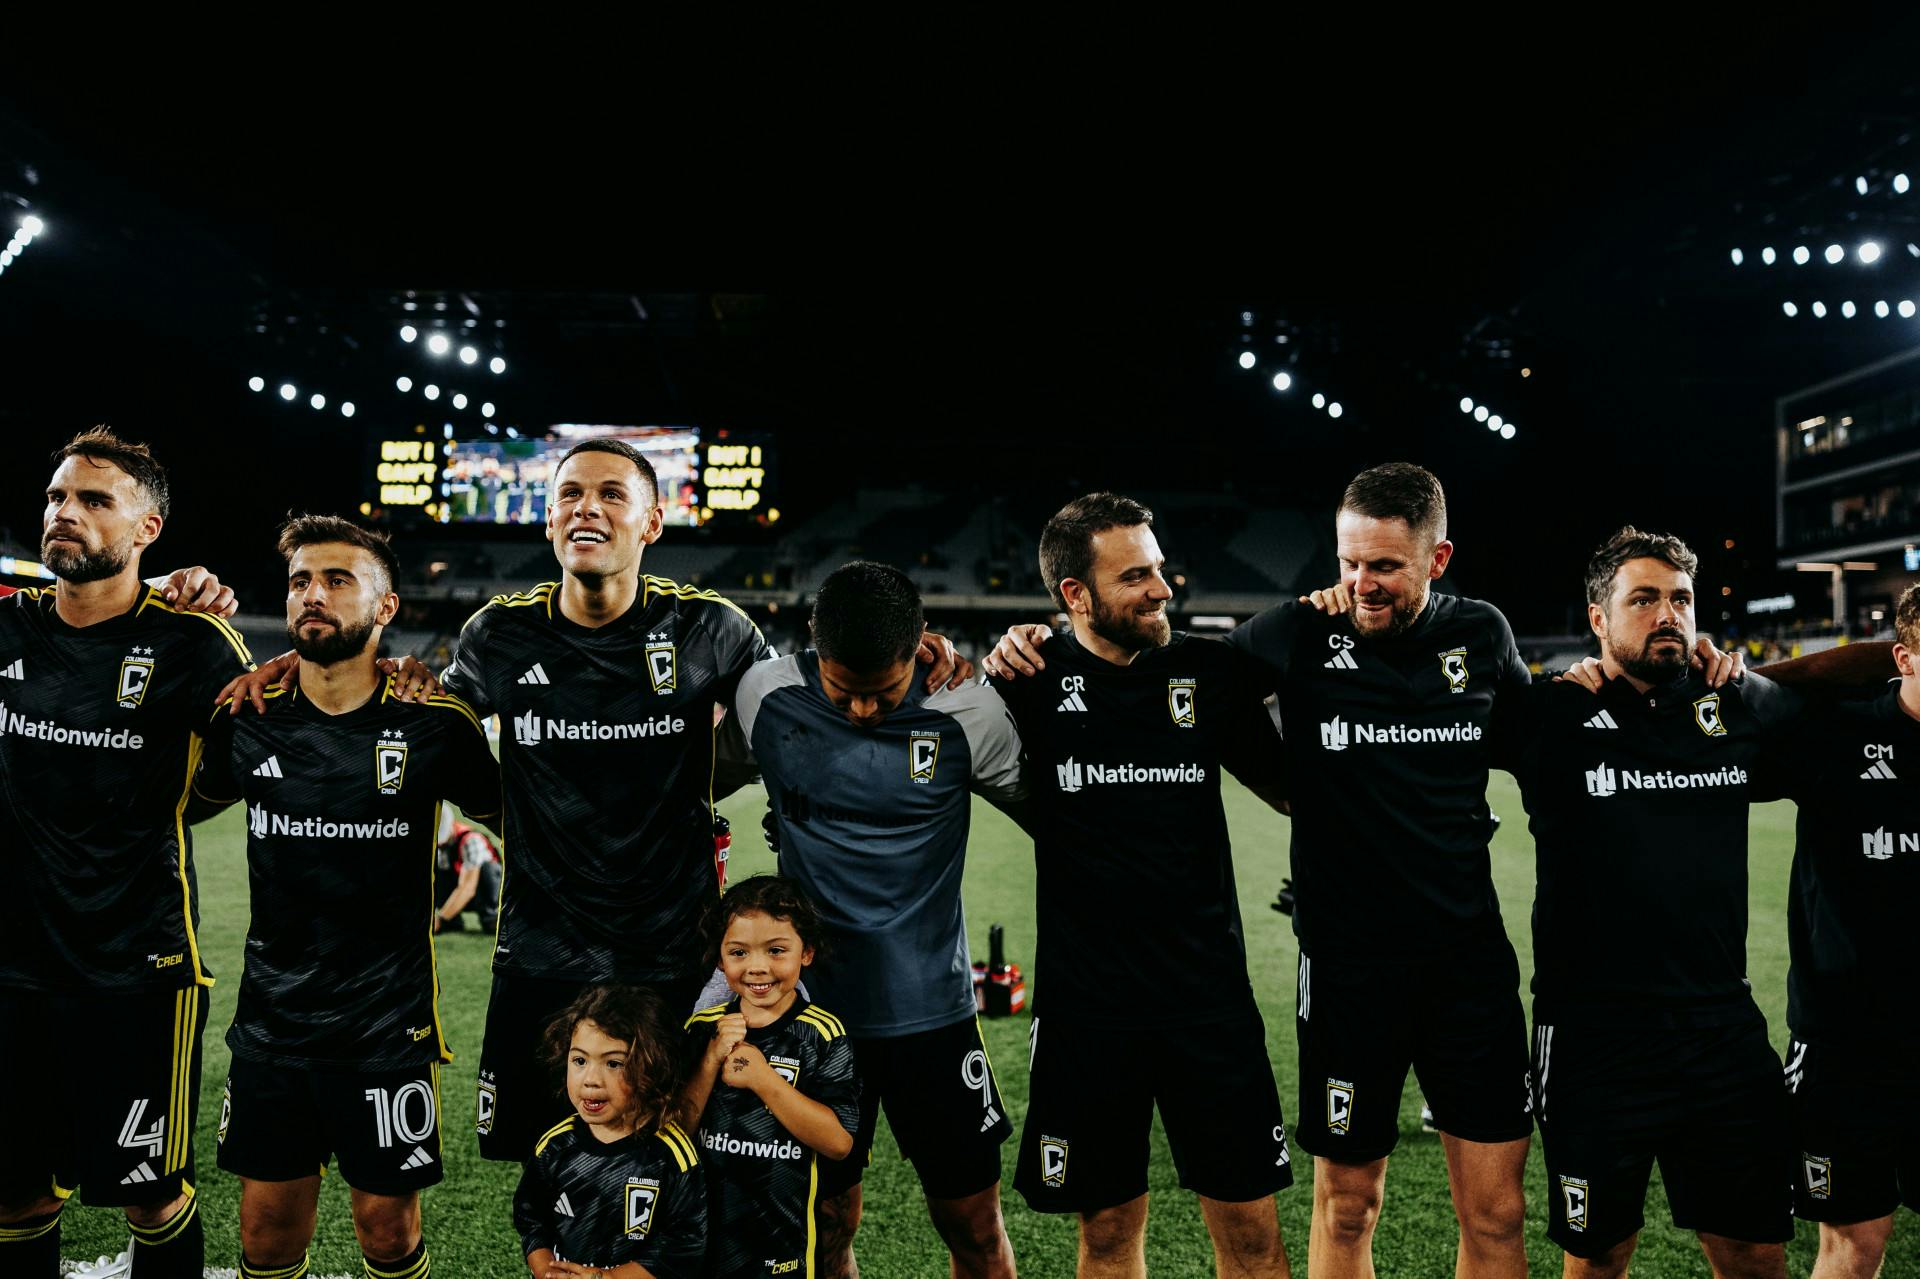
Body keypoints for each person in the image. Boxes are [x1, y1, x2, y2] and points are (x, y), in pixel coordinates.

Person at [224, 439, 967, 1165]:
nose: (588, 508)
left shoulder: (712, 629)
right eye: (570, 495)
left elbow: (812, 692)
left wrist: (914, 651)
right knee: (550, 1179)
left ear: (651, 523)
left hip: (673, 956)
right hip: (540, 956)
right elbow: (412, 712)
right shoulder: (497, 635)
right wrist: (312, 656)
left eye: (613, 494)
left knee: (681, 1167)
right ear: (547, 522)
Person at [989, 493, 1296, 1278]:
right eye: (1137, 576)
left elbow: (1294, 790)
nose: (1163, 588)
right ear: (1074, 596)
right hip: (1090, 1012)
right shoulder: (1027, 680)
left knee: (1256, 1241)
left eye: (1159, 569)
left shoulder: (1207, 668)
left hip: (1210, 1002)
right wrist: (994, 652)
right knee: (1106, 1235)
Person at [188, 515, 503, 1279]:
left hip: (385, 1026)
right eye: (300, 581)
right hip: (271, 1025)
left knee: (388, 1234)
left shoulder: (432, 721)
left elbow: (519, 825)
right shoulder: (248, 715)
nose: (313, 595)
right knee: (265, 1237)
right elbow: (165, 813)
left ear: (386, 607)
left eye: (337, 579)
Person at [1493, 527, 1799, 1279]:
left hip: (1720, 1027)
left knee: (1757, 1255)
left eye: (1682, 599)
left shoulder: (1735, 706)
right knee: (1597, 1258)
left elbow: (1860, 688)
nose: (1668, 614)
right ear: (1598, 617)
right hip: (1597, 1039)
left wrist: (1753, 672)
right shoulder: (1547, 716)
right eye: (1645, 599)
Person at [721, 560, 1026, 1279]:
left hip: (934, 1015)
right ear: (812, 650)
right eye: (843, 691)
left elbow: (1065, 819)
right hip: (812, 1020)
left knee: (974, 1226)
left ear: (921, 646)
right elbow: (690, 773)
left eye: (882, 692)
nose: (861, 710)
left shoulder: (966, 708)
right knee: (824, 1221)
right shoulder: (766, 694)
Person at [0, 428, 254, 1279]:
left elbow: (253, 764)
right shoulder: (7, 627)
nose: (65, 513)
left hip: (135, 969)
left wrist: (174, 801)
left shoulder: (195, 641)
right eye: (56, 497)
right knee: (15, 1192)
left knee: (149, 1191)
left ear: (148, 529)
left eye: (94, 500)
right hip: (10, 967)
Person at [1771, 580, 1920, 1279]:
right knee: (1852, 1244)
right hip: (1845, 1045)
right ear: (1903, 658)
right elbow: (1713, 720)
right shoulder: (1837, 733)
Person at [683, 875, 859, 1279]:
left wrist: (764, 1079)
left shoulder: (823, 1034)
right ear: (720, 960)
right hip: (700, 1237)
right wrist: (710, 1061)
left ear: (807, 953)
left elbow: (837, 1143)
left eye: (776, 950)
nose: (757, 967)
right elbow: (675, 1131)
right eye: (739, 952)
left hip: (784, 1242)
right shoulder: (702, 1028)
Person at [513, 985, 706, 1279]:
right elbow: (530, 1216)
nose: (591, 1080)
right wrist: (545, 1269)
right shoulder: (555, 1145)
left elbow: (682, 1245)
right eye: (579, 1060)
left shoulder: (671, 1156)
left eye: (614, 1063)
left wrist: (607, 1277)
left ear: (653, 1068)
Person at [434, 807, 503, 935]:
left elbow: (468, 888)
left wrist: (440, 919)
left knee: (488, 869)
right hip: (465, 891)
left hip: (484, 892)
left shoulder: (472, 840)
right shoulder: (443, 846)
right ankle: (452, 922)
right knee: (436, 873)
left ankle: (491, 917)